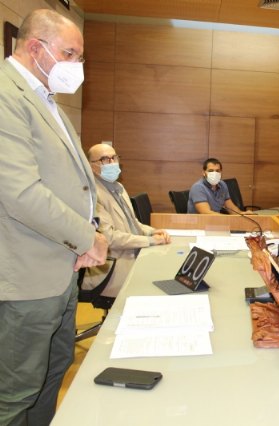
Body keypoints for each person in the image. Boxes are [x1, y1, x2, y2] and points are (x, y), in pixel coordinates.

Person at [0, 9, 108, 425]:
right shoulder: (8, 94)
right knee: (15, 394)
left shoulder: (48, 100)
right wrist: (87, 238)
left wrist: (87, 235)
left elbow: (76, 185)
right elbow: (20, 193)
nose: (76, 66)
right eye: (69, 53)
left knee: (50, 374)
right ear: (34, 48)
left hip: (60, 269)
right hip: (27, 276)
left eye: (80, 58)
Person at [83, 143, 171, 298]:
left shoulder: (119, 188)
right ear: (91, 166)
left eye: (114, 158)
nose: (112, 163)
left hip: (132, 253)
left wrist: (152, 231)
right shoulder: (92, 195)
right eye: (105, 159)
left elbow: (133, 222)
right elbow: (109, 238)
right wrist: (150, 240)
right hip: (113, 267)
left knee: (168, 269)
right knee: (156, 287)